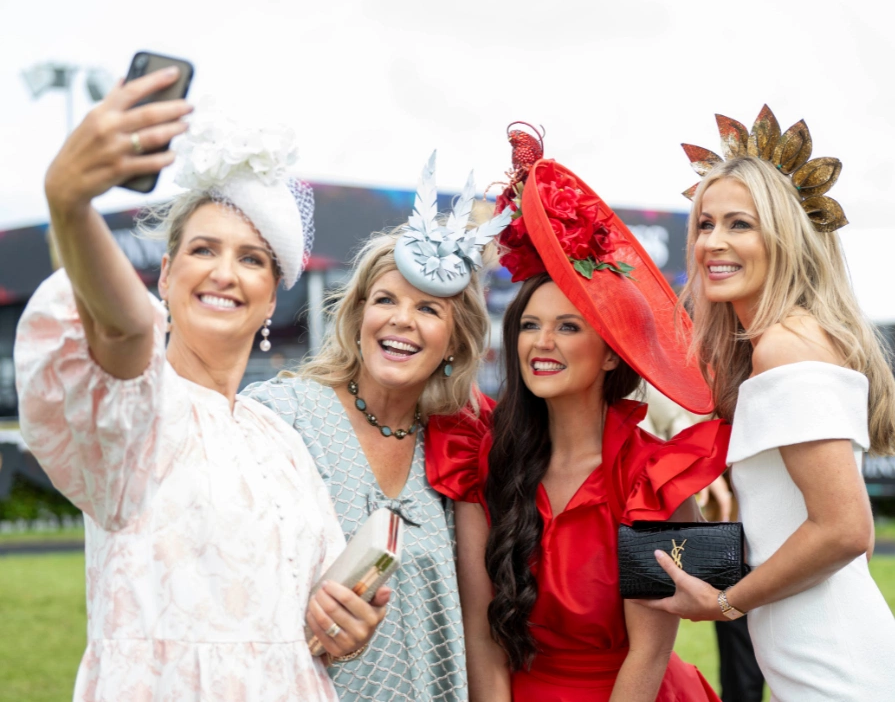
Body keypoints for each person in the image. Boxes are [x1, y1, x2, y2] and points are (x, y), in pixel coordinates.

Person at [14, 68, 386, 701]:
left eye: (250, 258)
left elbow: (319, 615)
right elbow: (126, 331)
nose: (224, 273)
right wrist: (69, 206)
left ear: (274, 292)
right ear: (163, 274)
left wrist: (345, 625)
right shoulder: (141, 405)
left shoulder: (281, 442)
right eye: (202, 250)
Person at [426, 130, 731, 701]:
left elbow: (649, 650)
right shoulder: (480, 456)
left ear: (612, 350)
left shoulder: (651, 477)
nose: (542, 342)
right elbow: (480, 630)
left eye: (569, 326)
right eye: (530, 325)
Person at [639, 105, 895, 700]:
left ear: (782, 236)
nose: (713, 243)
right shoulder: (782, 340)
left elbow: (845, 529)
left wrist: (725, 603)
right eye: (704, 225)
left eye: (739, 224)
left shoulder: (785, 344)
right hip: (826, 659)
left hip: (836, 669)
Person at [244, 153, 511, 701]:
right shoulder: (282, 416)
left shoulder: (455, 445)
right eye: (385, 299)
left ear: (455, 342)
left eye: (429, 309)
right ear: (359, 316)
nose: (401, 320)